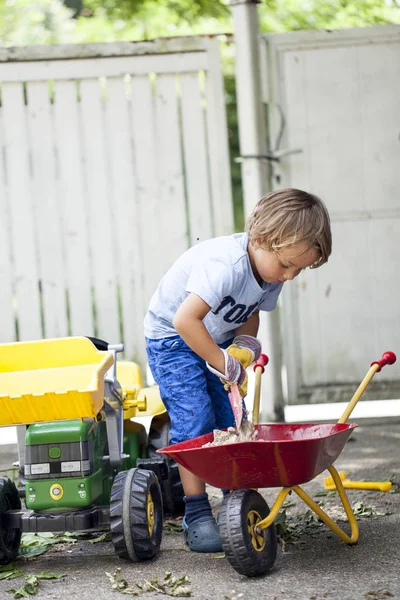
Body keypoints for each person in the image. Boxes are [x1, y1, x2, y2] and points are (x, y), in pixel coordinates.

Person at [144, 188, 332, 552]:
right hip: (173, 338)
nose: (290, 276)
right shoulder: (225, 266)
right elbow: (185, 321)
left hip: (214, 338)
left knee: (232, 419)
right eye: (286, 265)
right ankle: (196, 513)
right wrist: (222, 360)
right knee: (195, 419)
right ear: (262, 239)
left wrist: (243, 346)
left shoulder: (270, 273)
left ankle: (235, 500)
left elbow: (249, 312)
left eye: (299, 268)